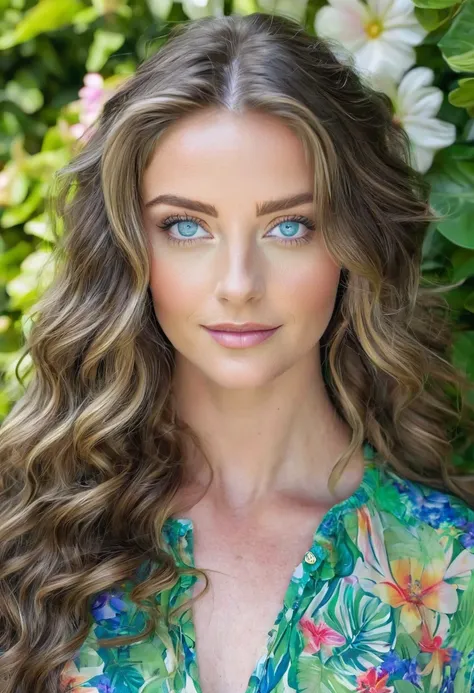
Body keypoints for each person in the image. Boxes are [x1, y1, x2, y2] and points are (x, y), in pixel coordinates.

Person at [1, 10, 474, 693]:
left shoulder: (453, 567)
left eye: (289, 225)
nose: (237, 285)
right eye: (186, 226)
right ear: (131, 247)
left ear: (351, 243)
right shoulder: (30, 534)